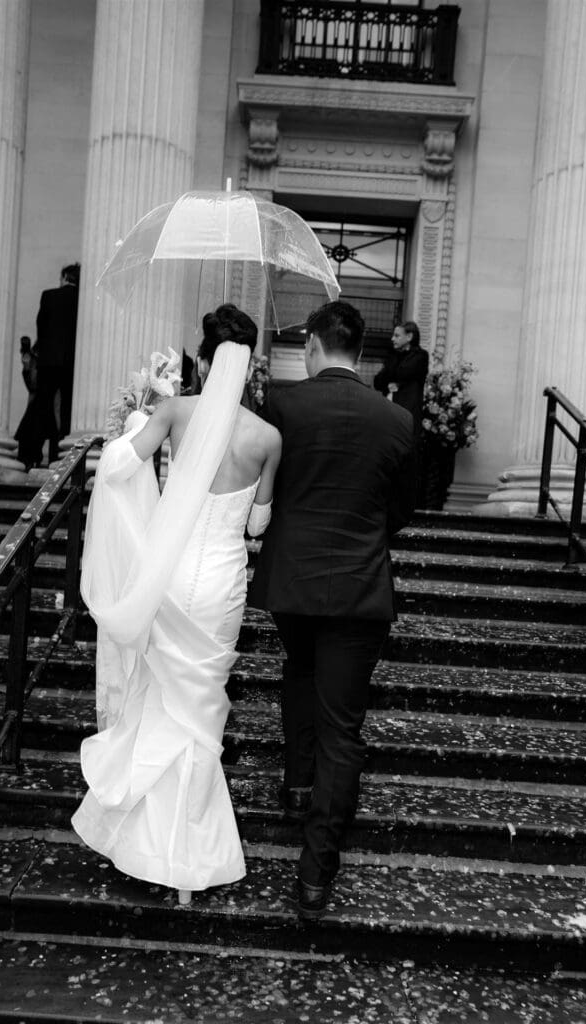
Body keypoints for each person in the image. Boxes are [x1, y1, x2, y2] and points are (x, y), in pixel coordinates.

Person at [72, 304, 281, 904]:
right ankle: (189, 861)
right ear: (249, 366)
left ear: (206, 359)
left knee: (158, 704)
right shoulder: (268, 438)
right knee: (200, 714)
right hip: (220, 585)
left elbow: (115, 465)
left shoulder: (175, 412)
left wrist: (139, 414)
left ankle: (142, 845)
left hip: (168, 575)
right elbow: (258, 527)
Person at [249, 300, 416, 920]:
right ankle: (316, 872)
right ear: (362, 352)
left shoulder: (285, 406)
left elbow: (269, 483)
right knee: (343, 724)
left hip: (292, 580)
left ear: (316, 346)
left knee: (299, 668)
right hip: (358, 584)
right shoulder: (396, 420)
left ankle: (297, 784)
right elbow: (404, 508)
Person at [34, 263, 80, 464]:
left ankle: (37, 453)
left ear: (64, 277)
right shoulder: (82, 299)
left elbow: (41, 328)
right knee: (66, 409)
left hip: (49, 361)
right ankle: (59, 451)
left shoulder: (49, 296)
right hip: (71, 363)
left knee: (43, 406)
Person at [373, 320, 429, 435]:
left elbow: (403, 373)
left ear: (409, 337)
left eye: (397, 335)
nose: (392, 339)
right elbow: (378, 382)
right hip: (388, 413)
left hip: (407, 416)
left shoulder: (420, 355)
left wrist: (390, 374)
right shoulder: (394, 356)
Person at [14, 336, 42, 471]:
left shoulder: (39, 361)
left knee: (30, 431)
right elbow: (32, 384)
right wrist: (27, 367)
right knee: (27, 433)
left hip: (41, 402)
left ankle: (31, 460)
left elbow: (34, 384)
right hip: (36, 402)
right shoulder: (33, 359)